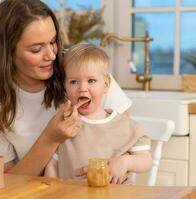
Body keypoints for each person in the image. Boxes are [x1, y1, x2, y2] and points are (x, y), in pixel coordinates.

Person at [0, 0, 133, 177]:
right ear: (8, 52)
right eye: (36, 49)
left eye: (53, 41)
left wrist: (117, 165)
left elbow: (126, 143)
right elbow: (7, 183)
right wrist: (51, 138)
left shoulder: (84, 71)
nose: (51, 55)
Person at [44, 44, 152, 184]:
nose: (82, 89)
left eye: (91, 81)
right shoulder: (64, 127)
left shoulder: (126, 126)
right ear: (65, 87)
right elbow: (52, 165)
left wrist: (125, 162)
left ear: (106, 84)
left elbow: (146, 160)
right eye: (74, 82)